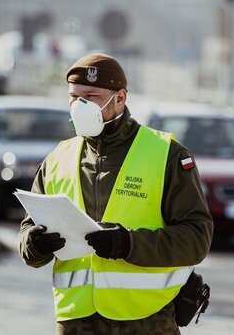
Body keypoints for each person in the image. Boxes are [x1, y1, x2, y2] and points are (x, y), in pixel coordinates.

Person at [18, 53, 213, 335]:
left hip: (147, 320)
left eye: (91, 96)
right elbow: (27, 232)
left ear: (120, 98)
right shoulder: (57, 159)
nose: (79, 105)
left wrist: (128, 243)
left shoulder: (167, 154)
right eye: (74, 96)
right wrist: (33, 245)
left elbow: (197, 238)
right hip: (75, 321)